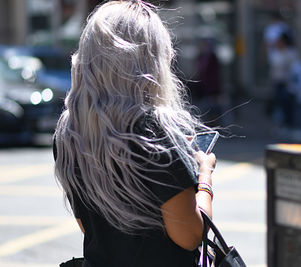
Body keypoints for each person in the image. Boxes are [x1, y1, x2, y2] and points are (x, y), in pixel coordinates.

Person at [53, 1, 217, 266]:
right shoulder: (153, 132)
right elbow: (190, 236)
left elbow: (89, 228)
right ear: (150, 61)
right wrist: (204, 176)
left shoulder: (69, 133)